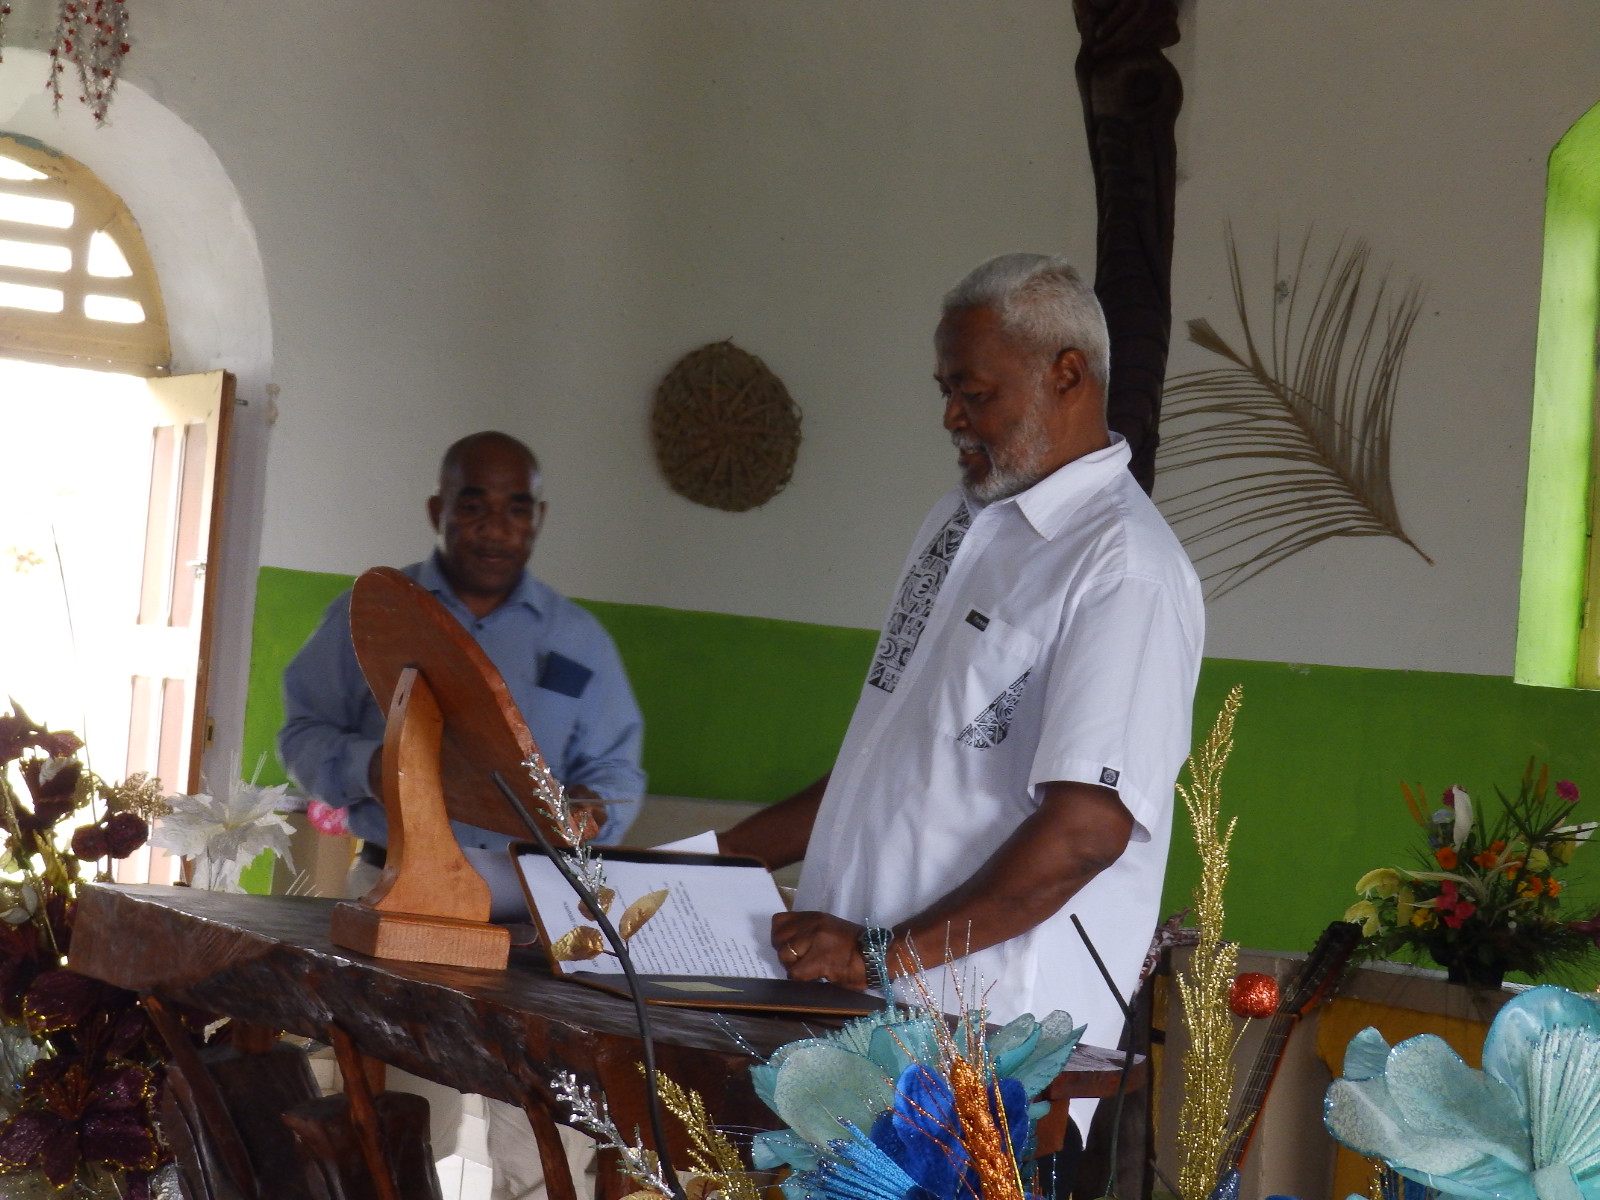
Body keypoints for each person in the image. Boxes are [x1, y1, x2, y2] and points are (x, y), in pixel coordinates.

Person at [719, 253, 1203, 1160]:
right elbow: (886, 765)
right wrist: (710, 863)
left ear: (1067, 373)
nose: (949, 416)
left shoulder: (1123, 570)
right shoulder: (963, 521)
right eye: (945, 390)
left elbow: (1085, 832)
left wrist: (876, 954)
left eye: (972, 392)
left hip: (986, 1055)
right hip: (858, 1023)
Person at [278, 429, 644, 1200]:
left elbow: (616, 769)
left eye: (516, 508)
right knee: (395, 1132)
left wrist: (595, 811)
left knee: (546, 1145)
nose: (495, 526)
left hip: (540, 931)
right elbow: (302, 731)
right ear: (439, 509)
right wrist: (373, 771)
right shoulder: (371, 616)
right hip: (404, 915)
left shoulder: (577, 639)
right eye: (474, 505)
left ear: (538, 519)